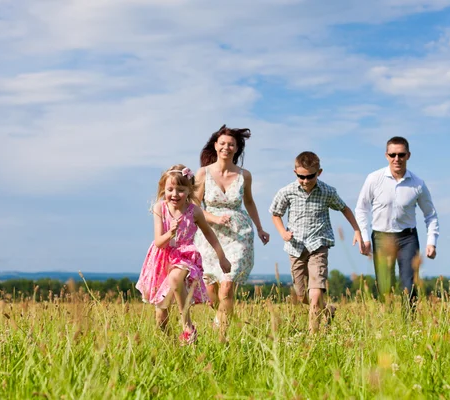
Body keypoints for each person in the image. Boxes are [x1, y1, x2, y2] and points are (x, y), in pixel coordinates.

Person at [136, 165, 231, 345]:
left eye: (180, 190)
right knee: (161, 314)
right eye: (170, 189)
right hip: (161, 259)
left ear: (189, 190)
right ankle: (171, 346)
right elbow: (158, 242)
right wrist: (170, 233)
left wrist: (222, 257)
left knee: (175, 278)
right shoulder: (159, 208)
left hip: (184, 256)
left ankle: (187, 325)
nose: (174, 194)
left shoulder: (194, 211)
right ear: (163, 189)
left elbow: (209, 233)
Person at [270, 151, 363, 333]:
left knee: (316, 291)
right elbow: (275, 213)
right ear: (295, 172)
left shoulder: (327, 191)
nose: (305, 181)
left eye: (310, 176)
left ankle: (314, 336)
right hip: (295, 247)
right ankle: (328, 310)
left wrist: (357, 230)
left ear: (319, 172)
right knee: (301, 294)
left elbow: (344, 208)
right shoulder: (287, 191)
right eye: (301, 177)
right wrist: (282, 232)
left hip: (318, 245)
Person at [194, 125, 270, 337]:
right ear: (216, 146)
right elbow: (195, 206)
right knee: (212, 295)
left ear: (237, 149)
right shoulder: (203, 173)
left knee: (227, 287)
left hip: (239, 234)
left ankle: (222, 338)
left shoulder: (244, 175)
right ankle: (231, 321)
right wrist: (215, 218)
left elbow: (249, 202)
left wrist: (260, 228)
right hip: (209, 235)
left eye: (231, 144)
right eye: (223, 143)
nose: (226, 147)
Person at [354, 136, 439, 308]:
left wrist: (432, 242)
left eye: (401, 155)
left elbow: (430, 214)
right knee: (385, 287)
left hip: (407, 238)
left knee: (409, 285)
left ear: (408, 155)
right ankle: (390, 323)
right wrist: (364, 237)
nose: (396, 159)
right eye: (392, 155)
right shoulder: (373, 179)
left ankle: (408, 326)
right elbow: (361, 209)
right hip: (381, 237)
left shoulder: (418, 184)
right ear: (386, 156)